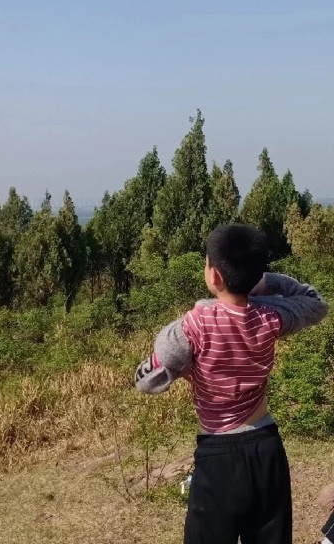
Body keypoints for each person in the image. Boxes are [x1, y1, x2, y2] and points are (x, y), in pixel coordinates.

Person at [134, 224, 329, 544]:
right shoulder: (272, 316)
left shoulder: (191, 327)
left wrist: (184, 366)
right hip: (267, 450)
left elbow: (147, 381)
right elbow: (315, 302)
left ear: (214, 275)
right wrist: (266, 281)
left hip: (217, 457)